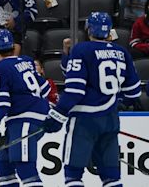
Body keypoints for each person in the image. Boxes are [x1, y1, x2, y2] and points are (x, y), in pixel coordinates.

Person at [43, 12, 142, 187]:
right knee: (111, 175)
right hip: (110, 119)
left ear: (88, 28)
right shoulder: (122, 52)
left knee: (73, 174)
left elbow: (74, 90)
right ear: (109, 31)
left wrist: (57, 116)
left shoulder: (82, 49)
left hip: (84, 121)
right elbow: (133, 93)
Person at [0, 29, 51, 187]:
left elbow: (1, 106)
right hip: (33, 119)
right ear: (13, 47)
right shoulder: (26, 61)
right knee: (4, 165)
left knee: (25, 168)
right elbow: (46, 89)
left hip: (24, 121)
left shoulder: (0, 68)